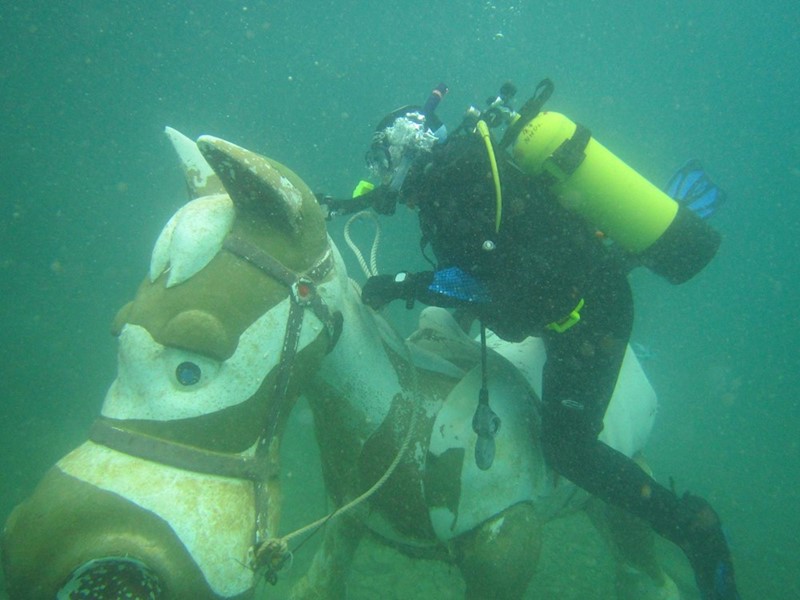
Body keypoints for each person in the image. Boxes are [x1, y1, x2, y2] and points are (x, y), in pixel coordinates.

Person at [344, 79, 740, 600]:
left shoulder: (455, 188)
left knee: (568, 448)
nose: (376, 177)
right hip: (566, 291)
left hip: (588, 319)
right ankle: (630, 257)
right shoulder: (460, 173)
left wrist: (404, 284)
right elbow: (508, 267)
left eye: (379, 163)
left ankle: (693, 528)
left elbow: (492, 283)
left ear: (402, 154)